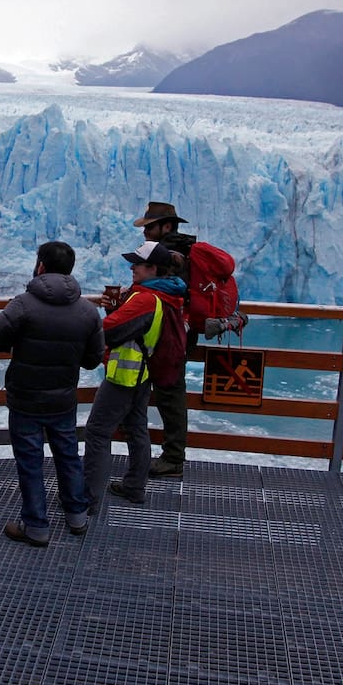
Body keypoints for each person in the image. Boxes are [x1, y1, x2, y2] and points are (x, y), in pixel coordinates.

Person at [0, 241, 104, 547]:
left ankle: (36, 525)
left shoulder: (23, 304)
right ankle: (77, 515)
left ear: (41, 267)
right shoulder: (88, 311)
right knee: (68, 455)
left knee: (30, 461)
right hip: (63, 398)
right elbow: (92, 359)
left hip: (25, 399)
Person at [84, 241, 187, 509]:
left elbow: (109, 329)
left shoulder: (145, 299)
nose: (132, 267)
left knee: (97, 432)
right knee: (136, 427)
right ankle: (134, 487)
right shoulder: (165, 295)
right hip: (144, 373)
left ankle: (87, 497)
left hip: (125, 375)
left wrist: (82, 319)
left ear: (153, 268)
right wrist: (115, 307)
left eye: (137, 264)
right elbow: (132, 327)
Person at [134, 201, 197, 479]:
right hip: (168, 332)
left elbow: (168, 292)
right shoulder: (178, 251)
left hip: (171, 335)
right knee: (161, 392)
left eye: (150, 226)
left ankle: (173, 458)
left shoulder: (173, 256)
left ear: (167, 226)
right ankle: (151, 453)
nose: (145, 231)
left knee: (171, 395)